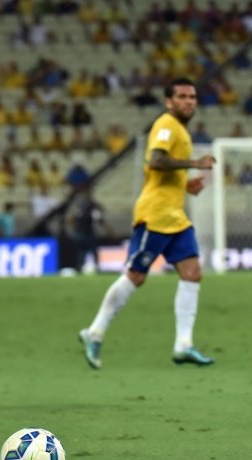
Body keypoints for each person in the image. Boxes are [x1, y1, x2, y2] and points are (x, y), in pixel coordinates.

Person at [78, 77, 216, 369]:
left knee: (192, 273)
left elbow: (162, 173)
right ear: (169, 101)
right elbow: (155, 161)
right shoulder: (166, 125)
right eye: (182, 96)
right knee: (136, 276)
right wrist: (194, 164)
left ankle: (183, 345)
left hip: (175, 216)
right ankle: (95, 332)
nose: (189, 101)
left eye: (192, 97)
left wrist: (185, 186)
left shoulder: (180, 130)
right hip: (154, 215)